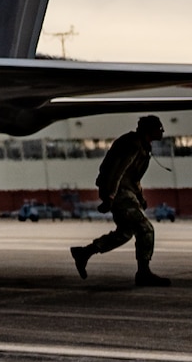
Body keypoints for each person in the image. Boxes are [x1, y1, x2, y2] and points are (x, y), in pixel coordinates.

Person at [72, 115, 168, 286]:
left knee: (125, 233)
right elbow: (118, 171)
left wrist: (140, 197)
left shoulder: (143, 146)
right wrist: (110, 196)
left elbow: (134, 176)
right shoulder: (133, 144)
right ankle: (144, 273)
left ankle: (84, 253)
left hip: (124, 190)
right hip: (117, 190)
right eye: (159, 128)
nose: (162, 131)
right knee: (146, 229)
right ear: (150, 129)